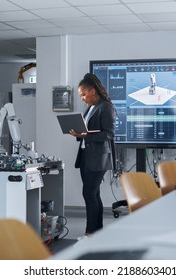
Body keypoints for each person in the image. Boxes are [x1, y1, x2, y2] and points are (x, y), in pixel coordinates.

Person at [69, 73, 116, 239]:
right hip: (85, 156)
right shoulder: (90, 108)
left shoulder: (105, 107)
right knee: (93, 194)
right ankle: (97, 231)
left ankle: (90, 233)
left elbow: (108, 134)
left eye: (83, 94)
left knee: (89, 193)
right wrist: (78, 133)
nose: (82, 98)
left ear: (92, 91)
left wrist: (85, 136)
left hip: (98, 158)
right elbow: (88, 132)